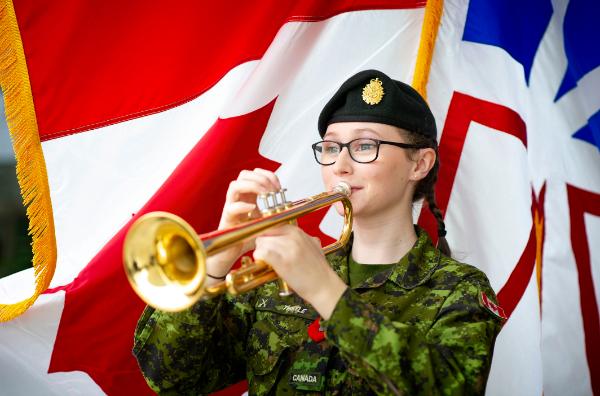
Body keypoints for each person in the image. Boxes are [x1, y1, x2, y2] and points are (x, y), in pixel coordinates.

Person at [132, 69, 505, 395]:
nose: (340, 165)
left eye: (364, 145)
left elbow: (448, 387)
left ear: (419, 164)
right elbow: (170, 376)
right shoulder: (275, 280)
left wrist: (324, 289)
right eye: (330, 147)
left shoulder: (461, 290)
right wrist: (217, 257)